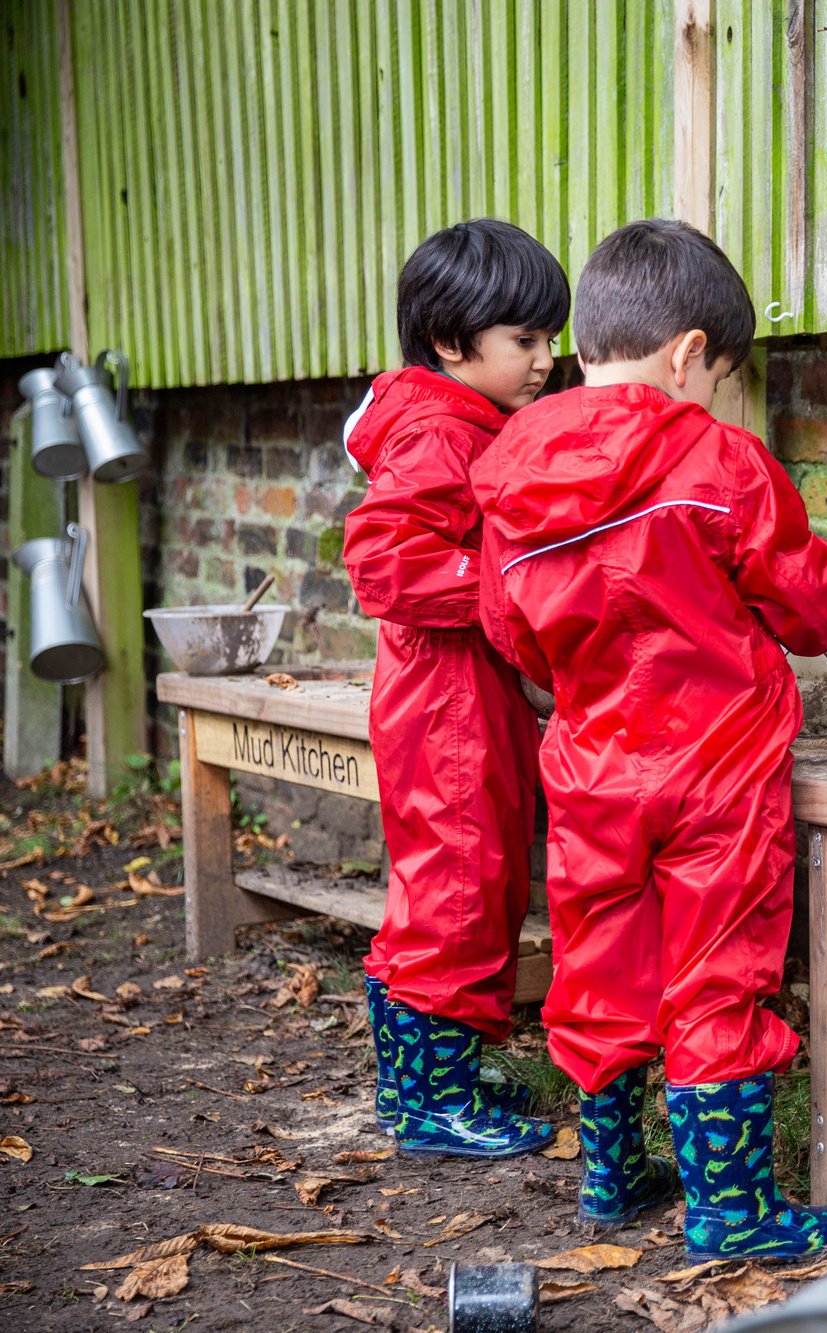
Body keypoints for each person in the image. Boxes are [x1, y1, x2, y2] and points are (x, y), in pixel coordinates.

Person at [471, 218, 827, 1252]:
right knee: (719, 968)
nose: (715, 392)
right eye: (719, 372)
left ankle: (612, 1173)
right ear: (690, 352)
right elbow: (812, 607)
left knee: (597, 960)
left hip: (592, 762)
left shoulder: (510, 469)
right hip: (715, 767)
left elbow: (507, 628)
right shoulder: (714, 457)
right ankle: (732, 1210)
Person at [342, 218, 569, 1158]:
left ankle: (420, 1084)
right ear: (449, 341)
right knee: (461, 887)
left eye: (550, 338)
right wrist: (512, 586)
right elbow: (382, 564)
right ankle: (432, 1105)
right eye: (525, 341)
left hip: (456, 689)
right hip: (448, 702)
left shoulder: (464, 420)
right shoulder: (438, 430)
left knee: (448, 878)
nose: (547, 360)